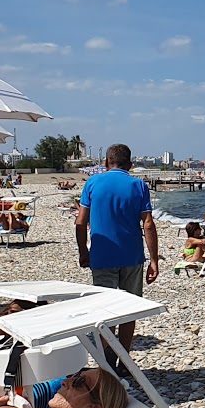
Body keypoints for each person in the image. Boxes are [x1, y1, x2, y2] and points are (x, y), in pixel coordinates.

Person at [75, 144, 159, 355]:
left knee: (105, 311)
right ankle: (124, 358)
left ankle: (107, 361)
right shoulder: (138, 185)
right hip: (132, 256)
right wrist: (154, 260)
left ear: (106, 163)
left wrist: (83, 252)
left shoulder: (92, 183)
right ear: (130, 165)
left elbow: (80, 222)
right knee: (129, 310)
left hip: (102, 256)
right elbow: (148, 223)